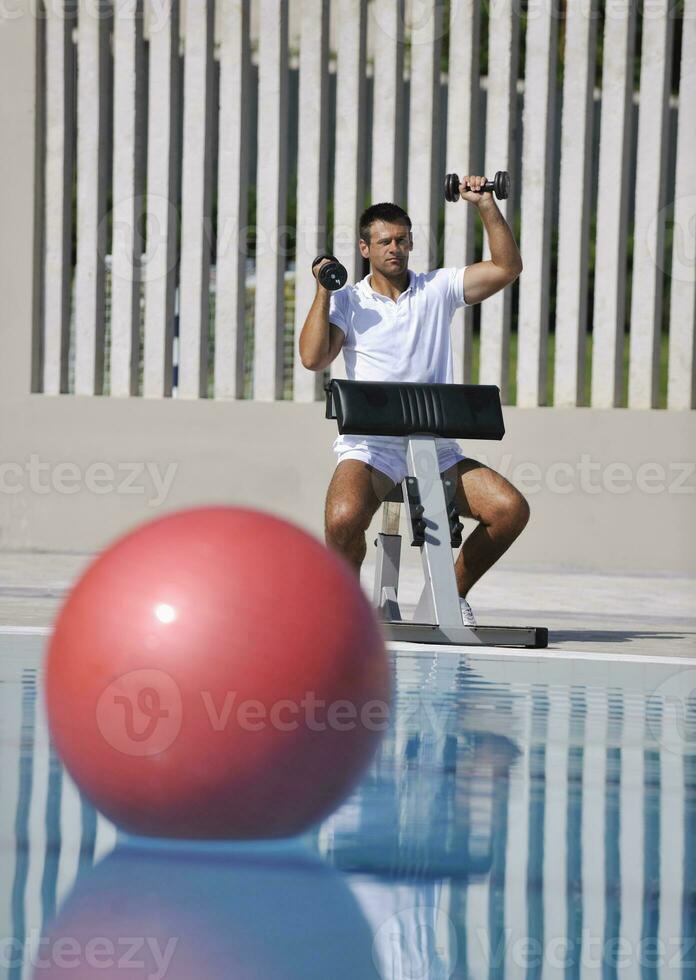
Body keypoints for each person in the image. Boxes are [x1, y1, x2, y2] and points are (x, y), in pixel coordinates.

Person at [298, 176, 529, 626]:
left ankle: (449, 597)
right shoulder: (348, 301)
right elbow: (312, 358)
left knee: (509, 510)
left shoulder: (437, 289)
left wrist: (484, 203)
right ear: (365, 248)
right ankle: (345, 611)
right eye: (385, 241)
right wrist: (324, 290)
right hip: (372, 448)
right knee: (343, 518)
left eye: (403, 240)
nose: (395, 249)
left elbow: (507, 267)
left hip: (435, 448)